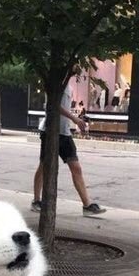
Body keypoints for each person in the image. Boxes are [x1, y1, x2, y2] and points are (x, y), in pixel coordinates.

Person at [32, 83, 106, 217]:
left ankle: (87, 204)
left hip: (64, 132)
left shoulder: (69, 87)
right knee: (44, 166)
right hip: (50, 131)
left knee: (76, 167)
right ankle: (36, 200)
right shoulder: (55, 84)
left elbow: (64, 108)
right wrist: (74, 119)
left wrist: (75, 120)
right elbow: (53, 105)